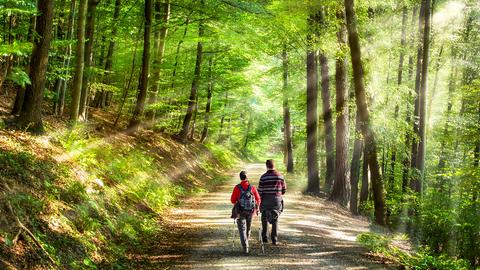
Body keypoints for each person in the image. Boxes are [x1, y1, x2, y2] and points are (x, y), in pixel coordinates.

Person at [230, 171, 261, 254]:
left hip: (240, 211)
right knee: (248, 228)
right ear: (247, 177)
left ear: (240, 178)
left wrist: (238, 201)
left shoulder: (237, 187)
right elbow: (258, 199)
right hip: (251, 211)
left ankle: (245, 247)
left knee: (242, 229)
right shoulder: (252, 187)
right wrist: (257, 209)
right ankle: (246, 243)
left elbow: (232, 200)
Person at [258, 159, 286, 245]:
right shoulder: (280, 176)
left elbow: (260, 191)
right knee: (275, 218)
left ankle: (265, 238)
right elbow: (284, 190)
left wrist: (260, 201)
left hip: (266, 200)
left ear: (266, 166)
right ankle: (274, 239)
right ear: (274, 165)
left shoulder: (263, 177)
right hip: (276, 200)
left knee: (264, 218)